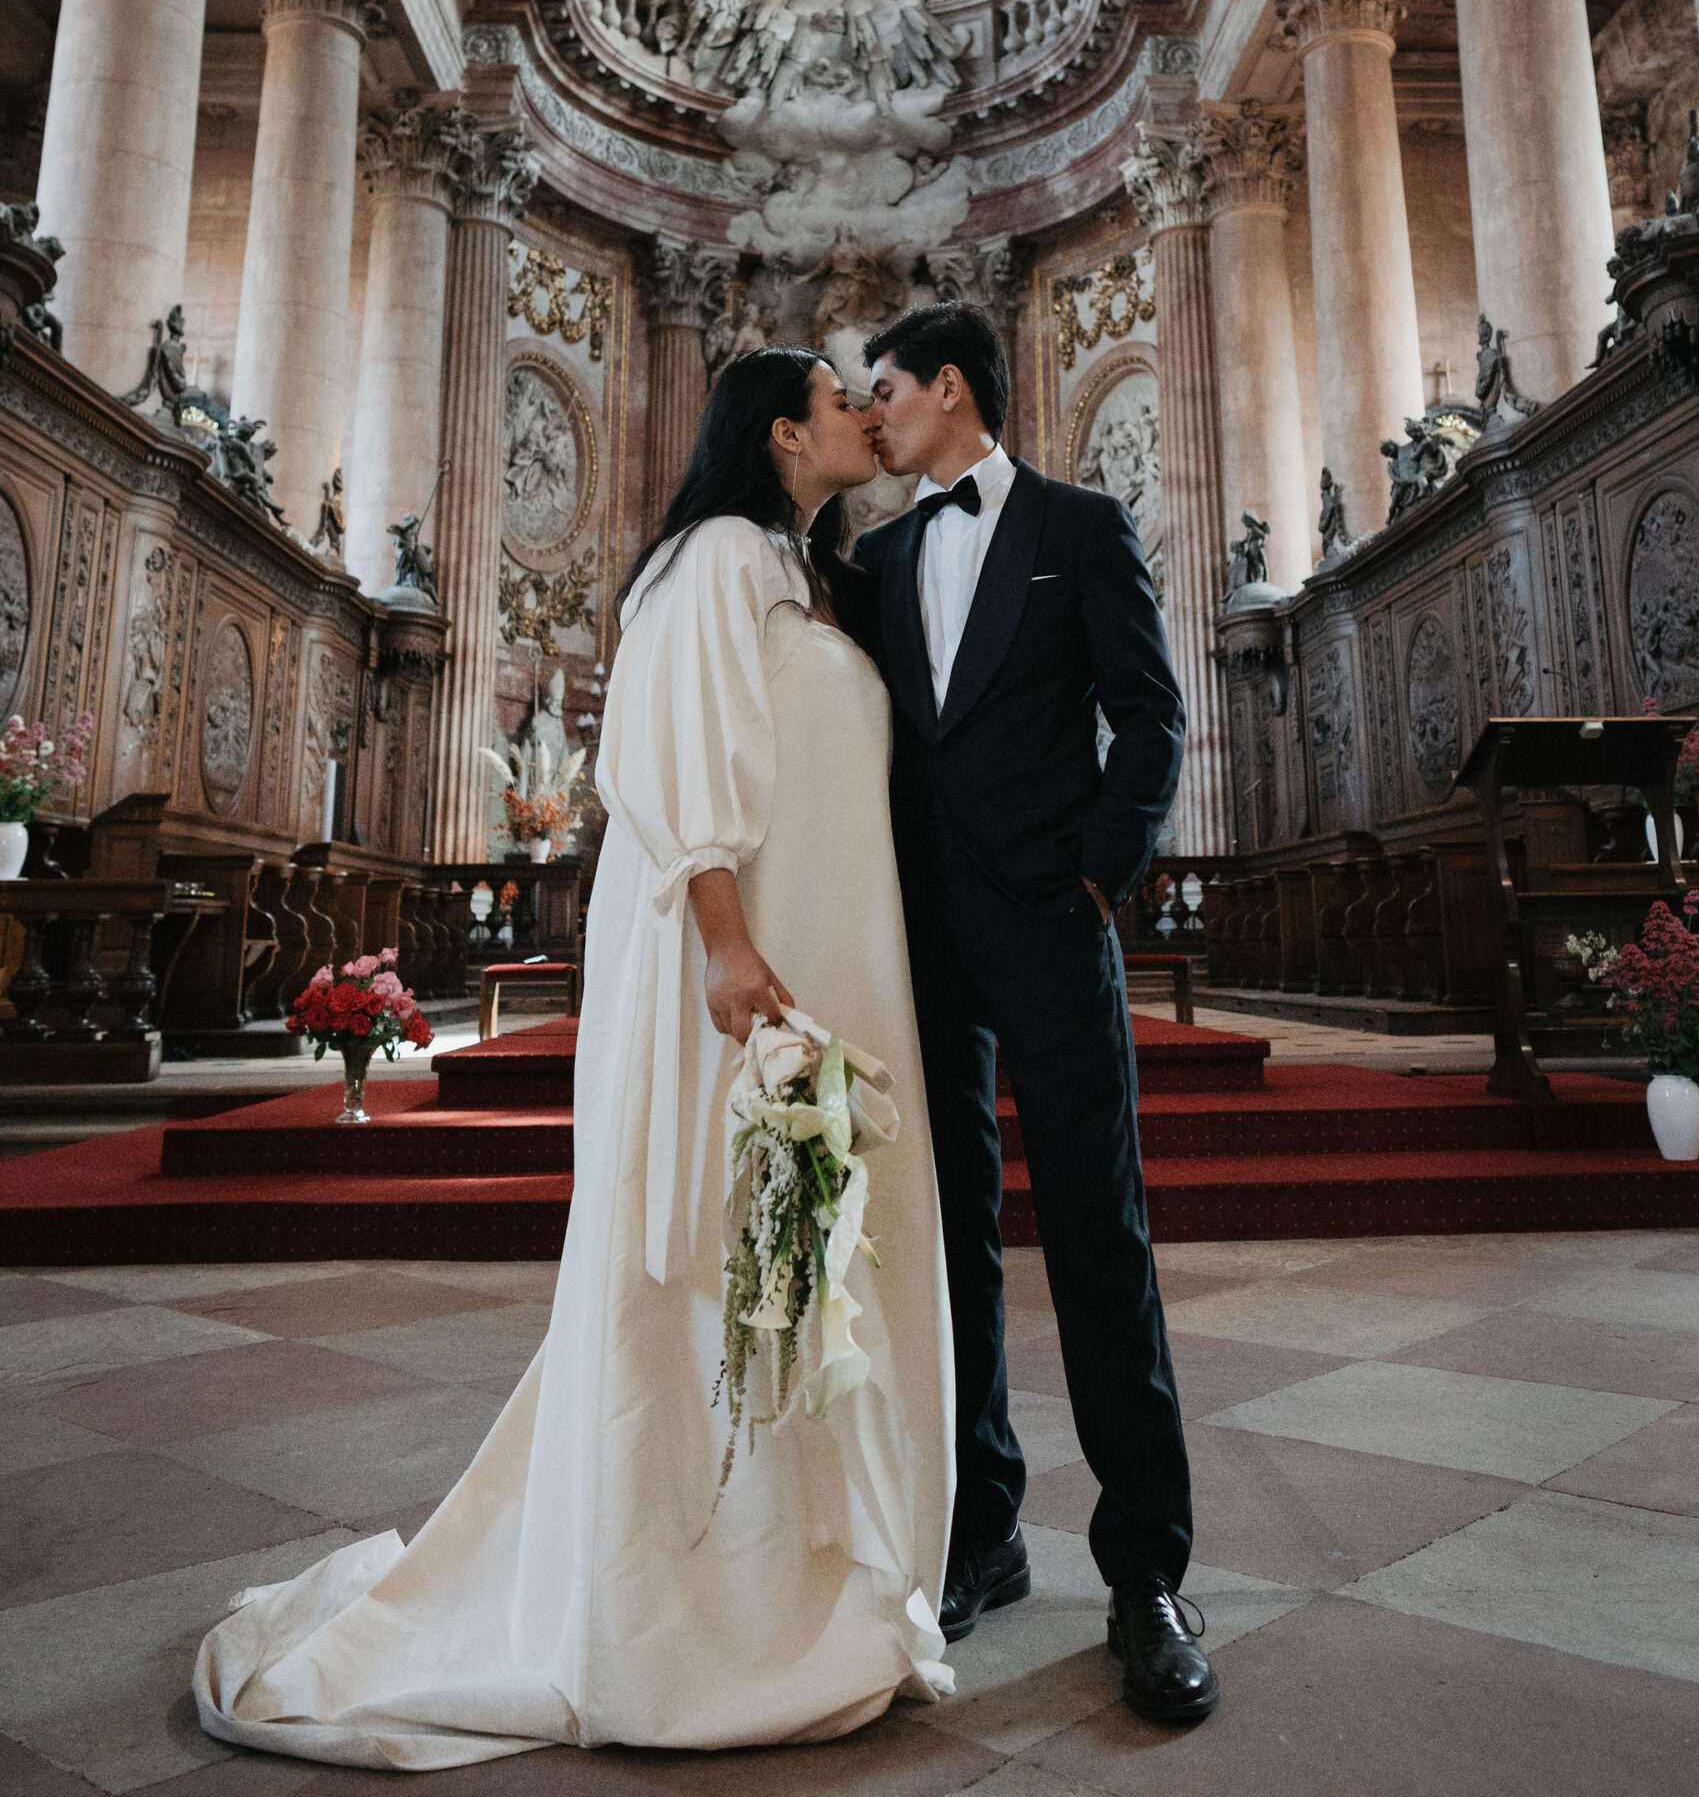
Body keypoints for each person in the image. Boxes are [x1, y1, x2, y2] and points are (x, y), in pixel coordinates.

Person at [194, 350, 953, 1765]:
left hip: (833, 964)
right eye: (843, 392)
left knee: (802, 1261)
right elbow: (671, 767)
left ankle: (800, 1584)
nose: (866, 407)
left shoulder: (800, 573)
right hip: (745, 968)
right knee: (728, 1250)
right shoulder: (713, 559)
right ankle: (688, 1613)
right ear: (784, 432)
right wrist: (727, 946)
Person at [858, 301, 1217, 1727]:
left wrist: (1099, 876)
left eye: (886, 391)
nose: (876, 415)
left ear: (951, 389)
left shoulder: (1081, 525)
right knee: (947, 1244)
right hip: (919, 941)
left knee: (1096, 1231)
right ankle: (982, 1535)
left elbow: (1153, 713)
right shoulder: (877, 558)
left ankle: (1146, 1576)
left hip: (1052, 925)